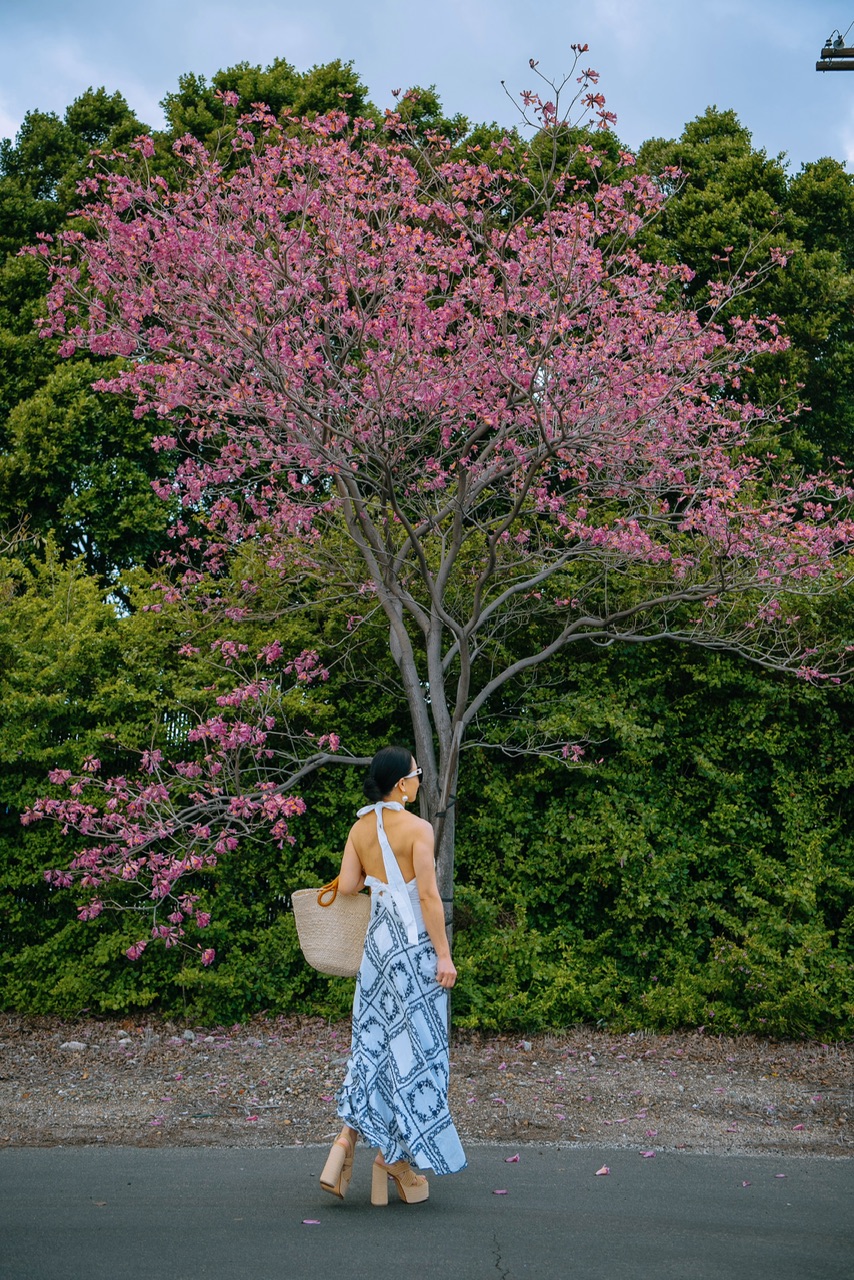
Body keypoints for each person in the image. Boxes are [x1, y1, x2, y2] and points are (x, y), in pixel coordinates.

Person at [319, 744, 467, 1206]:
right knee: (414, 1051)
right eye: (417, 773)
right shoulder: (418, 829)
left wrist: (374, 873)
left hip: (378, 952)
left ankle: (347, 1139)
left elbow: (346, 887)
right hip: (413, 951)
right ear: (402, 783)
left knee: (374, 1042)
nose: (420, 779)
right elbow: (428, 898)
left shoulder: (360, 828)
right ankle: (394, 1158)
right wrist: (444, 957)